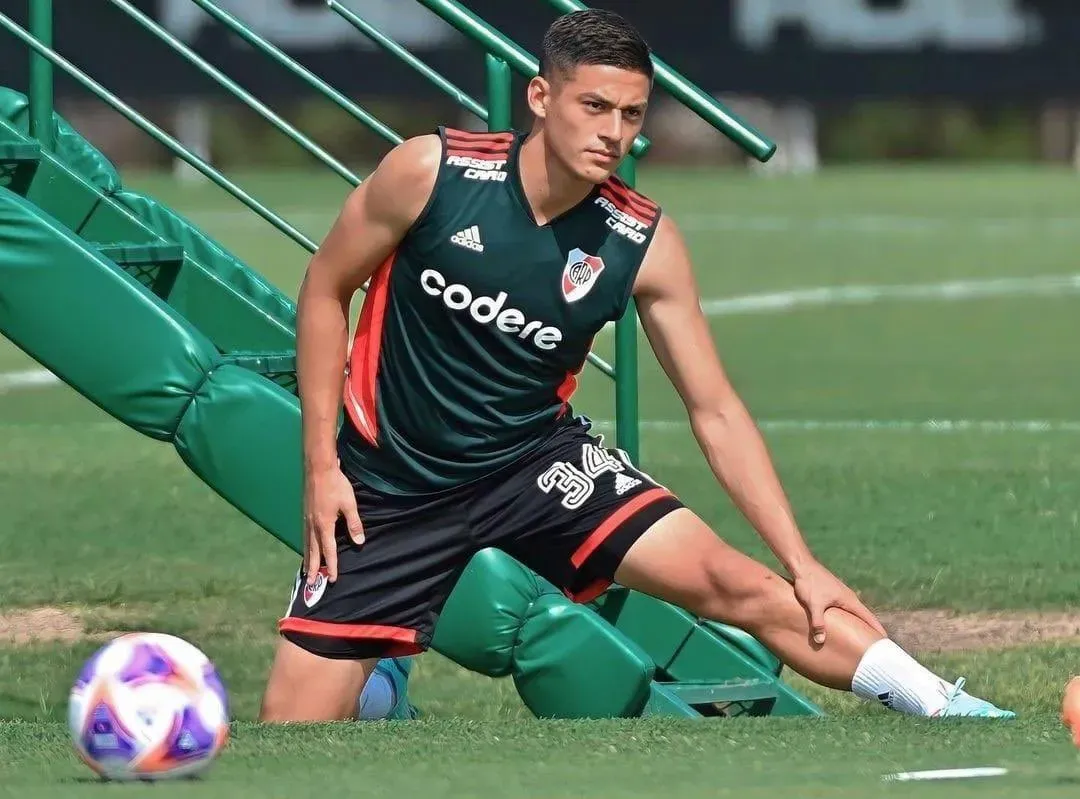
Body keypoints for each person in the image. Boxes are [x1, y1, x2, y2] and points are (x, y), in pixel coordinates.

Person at [259, 9, 1014, 723]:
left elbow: (714, 407)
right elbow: (325, 292)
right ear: (541, 97)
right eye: (594, 107)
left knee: (740, 583)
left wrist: (802, 558)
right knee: (292, 730)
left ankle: (946, 705)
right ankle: (379, 682)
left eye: (630, 114)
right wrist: (323, 465)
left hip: (535, 467)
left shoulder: (639, 239)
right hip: (389, 487)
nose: (613, 131)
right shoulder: (432, 172)